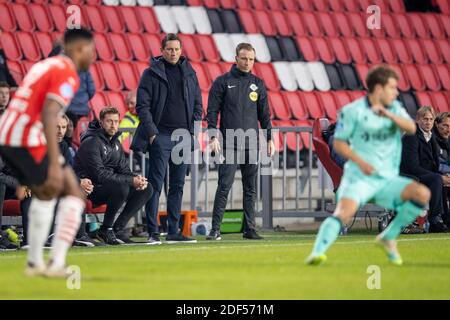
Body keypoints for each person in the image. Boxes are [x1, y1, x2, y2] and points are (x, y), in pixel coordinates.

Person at [305, 65, 430, 266]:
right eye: (392, 87)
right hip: (358, 177)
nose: (396, 92)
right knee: (343, 214)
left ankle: (388, 236)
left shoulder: (394, 109)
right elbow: (337, 145)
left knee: (421, 194)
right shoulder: (352, 112)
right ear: (379, 89)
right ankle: (317, 252)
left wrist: (389, 116)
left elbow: (411, 127)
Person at [0, 28, 95, 277]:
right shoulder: (68, 73)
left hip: (9, 133)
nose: (93, 56)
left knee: (47, 193)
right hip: (25, 139)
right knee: (72, 192)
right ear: (77, 49)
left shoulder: (45, 65)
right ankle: (53, 263)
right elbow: (49, 113)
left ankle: (36, 263)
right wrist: (54, 162)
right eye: (90, 50)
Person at [131, 33, 203, 244]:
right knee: (155, 185)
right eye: (169, 49)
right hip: (160, 136)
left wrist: (192, 131)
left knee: (178, 186)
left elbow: (198, 103)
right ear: (162, 50)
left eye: (177, 49)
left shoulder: (190, 72)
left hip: (183, 137)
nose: (173, 53)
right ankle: (153, 232)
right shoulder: (150, 73)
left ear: (181, 51)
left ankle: (173, 231)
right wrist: (152, 132)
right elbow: (142, 107)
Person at [205, 43, 274, 241]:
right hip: (229, 143)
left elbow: (265, 115)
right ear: (236, 58)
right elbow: (212, 112)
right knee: (224, 186)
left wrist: (269, 138)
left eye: (251, 59)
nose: (247, 62)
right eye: (244, 58)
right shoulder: (222, 82)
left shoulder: (258, 84)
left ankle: (250, 229)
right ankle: (215, 229)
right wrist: (212, 136)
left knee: (250, 188)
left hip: (252, 144)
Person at [74, 107, 153, 245]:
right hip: (89, 189)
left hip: (107, 186)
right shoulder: (91, 142)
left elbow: (123, 170)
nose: (113, 125)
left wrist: (137, 179)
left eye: (116, 121)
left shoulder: (115, 143)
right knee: (122, 186)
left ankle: (117, 229)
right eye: (109, 121)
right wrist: (130, 180)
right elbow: (99, 175)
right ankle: (106, 229)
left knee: (147, 188)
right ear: (101, 122)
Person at [401, 106, 449, 233]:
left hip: (424, 174)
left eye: (431, 119)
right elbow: (412, 166)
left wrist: (444, 176)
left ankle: (444, 219)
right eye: (425, 119)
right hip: (408, 173)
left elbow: (435, 164)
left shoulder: (430, 136)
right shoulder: (411, 136)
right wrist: (438, 176)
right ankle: (434, 220)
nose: (428, 122)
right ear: (418, 120)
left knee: (441, 181)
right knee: (437, 179)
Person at [433, 112, 450, 228]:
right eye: (445, 126)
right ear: (436, 124)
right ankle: (443, 220)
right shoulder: (431, 140)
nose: (448, 130)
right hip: (434, 176)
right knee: (441, 182)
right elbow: (433, 164)